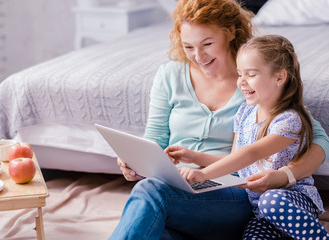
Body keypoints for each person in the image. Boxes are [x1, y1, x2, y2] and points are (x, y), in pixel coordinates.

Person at [111, 0, 329, 239]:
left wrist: (285, 175)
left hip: (231, 191)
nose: (198, 56)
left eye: (207, 44)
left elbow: (314, 137)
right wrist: (136, 162)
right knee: (158, 227)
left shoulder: (257, 82)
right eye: (188, 46)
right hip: (180, 187)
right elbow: (155, 138)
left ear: (230, 33)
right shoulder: (169, 75)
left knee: (151, 193)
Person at [167, 34, 329, 239]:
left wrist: (204, 174)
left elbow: (251, 153)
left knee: (272, 201)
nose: (241, 82)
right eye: (239, 74)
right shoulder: (245, 112)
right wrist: (193, 157)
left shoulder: (289, 120)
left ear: (279, 77)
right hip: (259, 210)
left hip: (290, 199)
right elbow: (235, 160)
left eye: (250, 74)